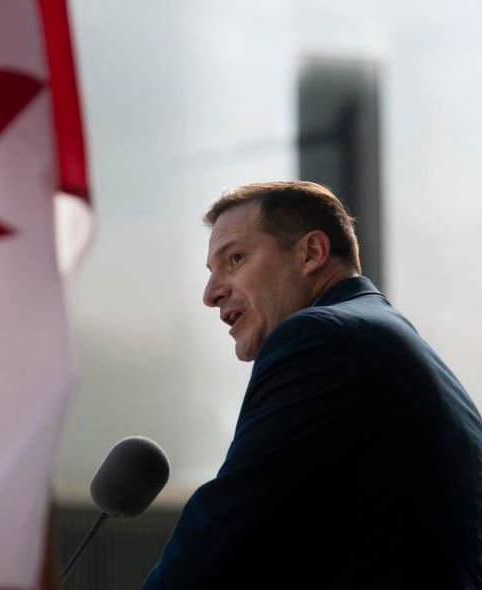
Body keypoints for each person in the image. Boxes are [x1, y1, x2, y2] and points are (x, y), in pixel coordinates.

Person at [143, 181, 482, 589]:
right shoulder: (374, 334)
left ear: (312, 253)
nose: (210, 294)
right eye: (210, 272)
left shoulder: (322, 338)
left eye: (234, 259)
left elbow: (226, 532)